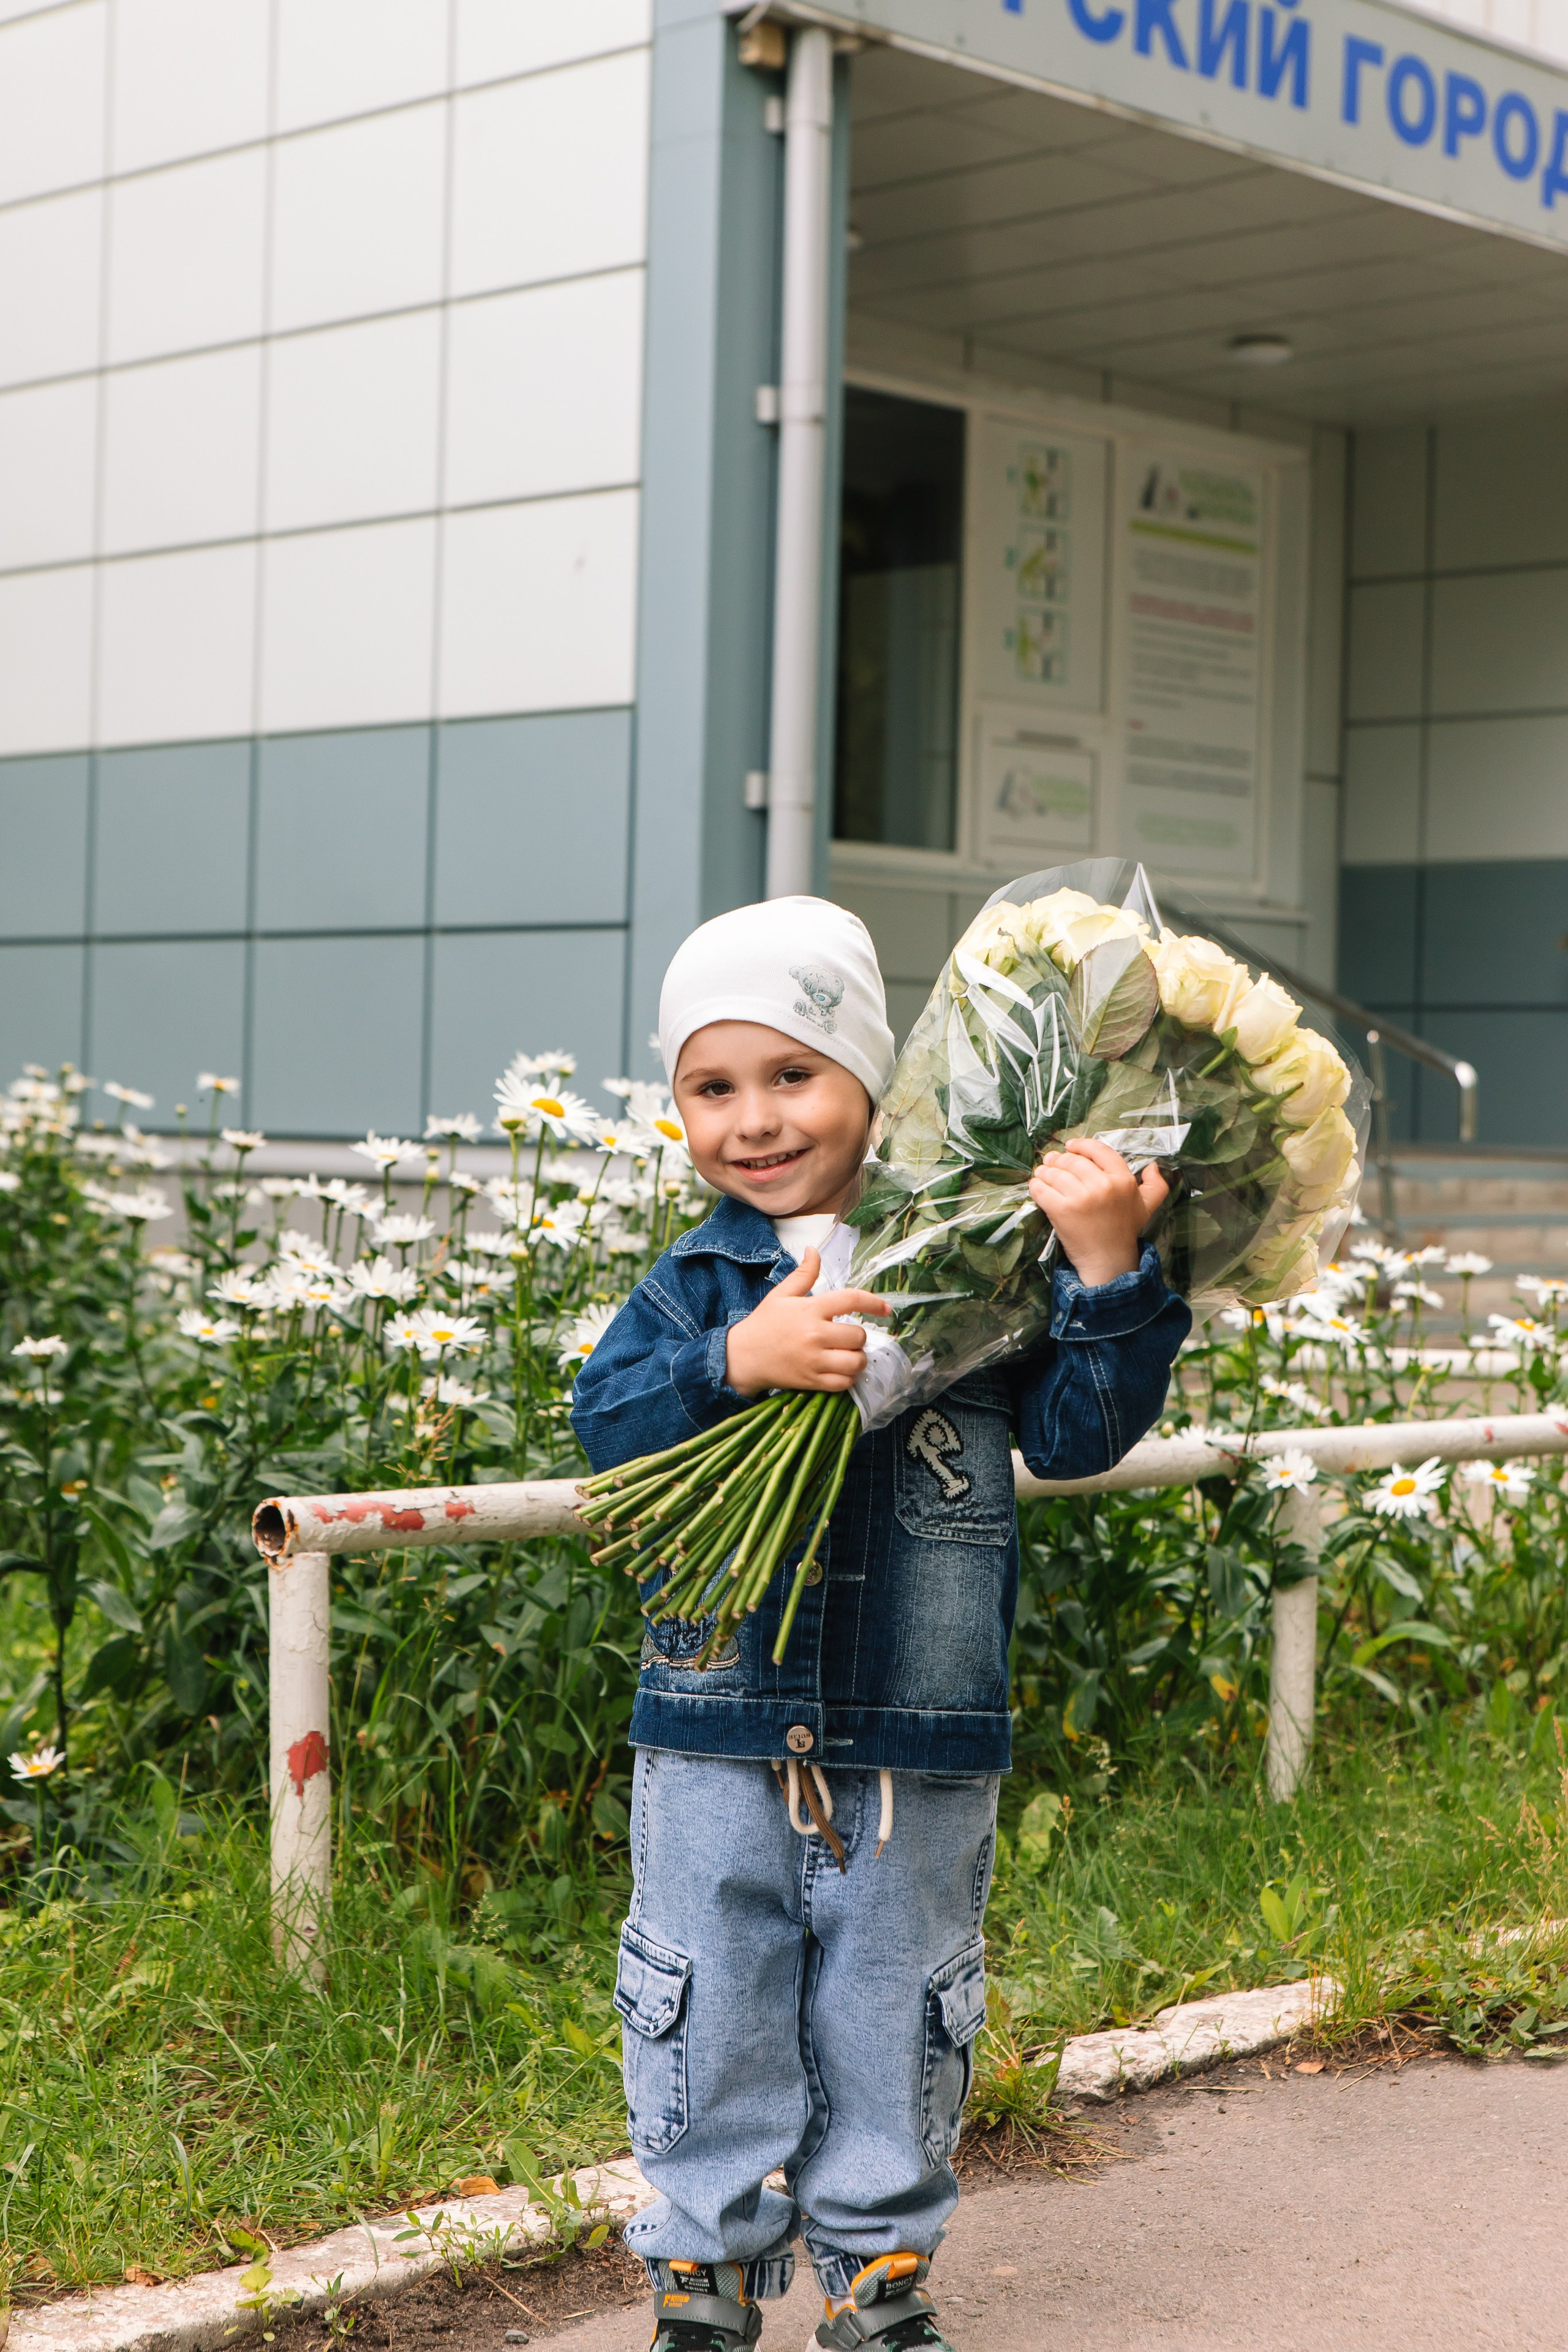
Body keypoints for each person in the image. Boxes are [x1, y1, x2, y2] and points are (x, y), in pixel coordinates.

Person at [572, 896, 1189, 2352]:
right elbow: (606, 1426)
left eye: (792, 1075)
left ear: (874, 1081)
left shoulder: (978, 1269)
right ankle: (702, 2284)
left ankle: (878, 2283)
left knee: (893, 2006)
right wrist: (734, 1360)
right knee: (706, 2000)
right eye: (709, 1088)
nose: (752, 1120)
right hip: (718, 1727)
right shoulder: (694, 1284)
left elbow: (1079, 1431)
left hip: (918, 1731)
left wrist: (1103, 1274)